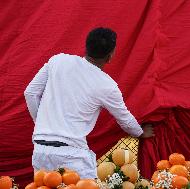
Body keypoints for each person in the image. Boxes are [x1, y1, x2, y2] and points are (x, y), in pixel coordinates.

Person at [24, 27, 154, 178]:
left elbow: (30, 93)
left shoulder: (58, 60)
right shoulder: (107, 85)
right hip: (72, 155)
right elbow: (124, 118)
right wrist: (140, 132)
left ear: (86, 47)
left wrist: (42, 123)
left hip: (41, 149)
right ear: (110, 56)